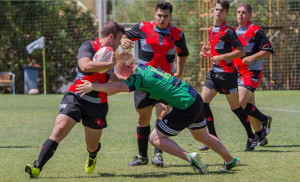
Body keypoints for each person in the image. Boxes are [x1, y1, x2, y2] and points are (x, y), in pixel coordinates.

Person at [76, 52, 241, 174]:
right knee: (202, 136)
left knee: (154, 138)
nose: (122, 75)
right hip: (194, 98)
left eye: (121, 71)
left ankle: (189, 157)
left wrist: (93, 86)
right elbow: (121, 81)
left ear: (127, 66)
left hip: (185, 106)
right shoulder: (145, 68)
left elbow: (119, 87)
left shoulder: (138, 76)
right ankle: (230, 160)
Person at [24, 21, 125, 178]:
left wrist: (129, 78)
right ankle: (37, 167)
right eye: (119, 38)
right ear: (111, 36)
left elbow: (110, 76)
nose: (120, 43)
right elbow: (84, 66)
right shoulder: (89, 46)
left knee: (92, 146)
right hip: (77, 96)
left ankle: (92, 156)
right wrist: (108, 63)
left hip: (97, 103)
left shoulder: (111, 54)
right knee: (59, 129)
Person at [121, 1, 189, 167]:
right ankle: (142, 156)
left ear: (170, 16)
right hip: (143, 81)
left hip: (165, 83)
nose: (162, 19)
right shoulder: (143, 27)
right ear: (154, 14)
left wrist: (179, 72)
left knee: (163, 113)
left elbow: (183, 53)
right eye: (159, 15)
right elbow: (124, 36)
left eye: (166, 16)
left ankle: (158, 155)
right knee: (142, 117)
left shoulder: (177, 34)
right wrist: (123, 41)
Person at [198, 0, 259, 152]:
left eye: (221, 10)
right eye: (216, 9)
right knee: (202, 103)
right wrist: (207, 53)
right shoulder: (212, 29)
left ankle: (251, 136)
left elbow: (241, 51)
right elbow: (216, 51)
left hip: (227, 76)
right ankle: (212, 139)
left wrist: (223, 57)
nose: (217, 12)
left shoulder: (229, 31)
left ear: (226, 13)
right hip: (214, 74)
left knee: (236, 108)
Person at [234, 3, 273, 146]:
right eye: (238, 12)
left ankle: (262, 122)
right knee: (250, 107)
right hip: (238, 74)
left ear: (250, 15)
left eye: (244, 12)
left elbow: (268, 50)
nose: (240, 15)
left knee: (238, 104)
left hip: (251, 73)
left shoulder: (255, 30)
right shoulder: (233, 32)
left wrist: (251, 58)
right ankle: (260, 136)